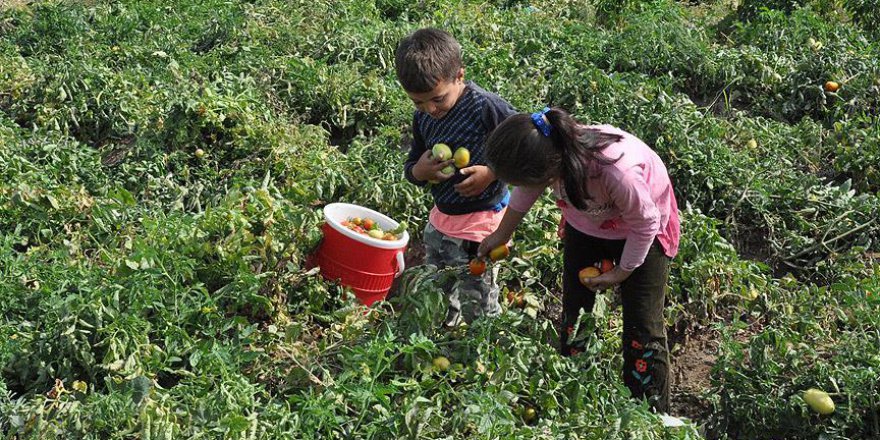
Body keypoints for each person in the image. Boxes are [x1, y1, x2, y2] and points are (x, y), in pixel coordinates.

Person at [477, 107, 680, 412]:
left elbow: (645, 224)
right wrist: (501, 234)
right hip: (587, 226)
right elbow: (525, 191)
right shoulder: (549, 153)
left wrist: (622, 271)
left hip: (643, 233)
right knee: (575, 313)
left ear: (550, 170)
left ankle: (650, 414)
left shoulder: (615, 171)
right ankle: (575, 390)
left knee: (643, 329)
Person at [395, 28, 517, 327]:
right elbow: (413, 164)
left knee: (477, 295)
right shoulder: (423, 117)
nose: (429, 109)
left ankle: (482, 344)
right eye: (418, 102)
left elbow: (524, 145)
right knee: (439, 286)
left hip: (481, 224)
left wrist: (492, 172)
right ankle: (447, 333)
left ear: (459, 75)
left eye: (438, 99)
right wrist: (420, 171)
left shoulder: (485, 107)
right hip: (442, 219)